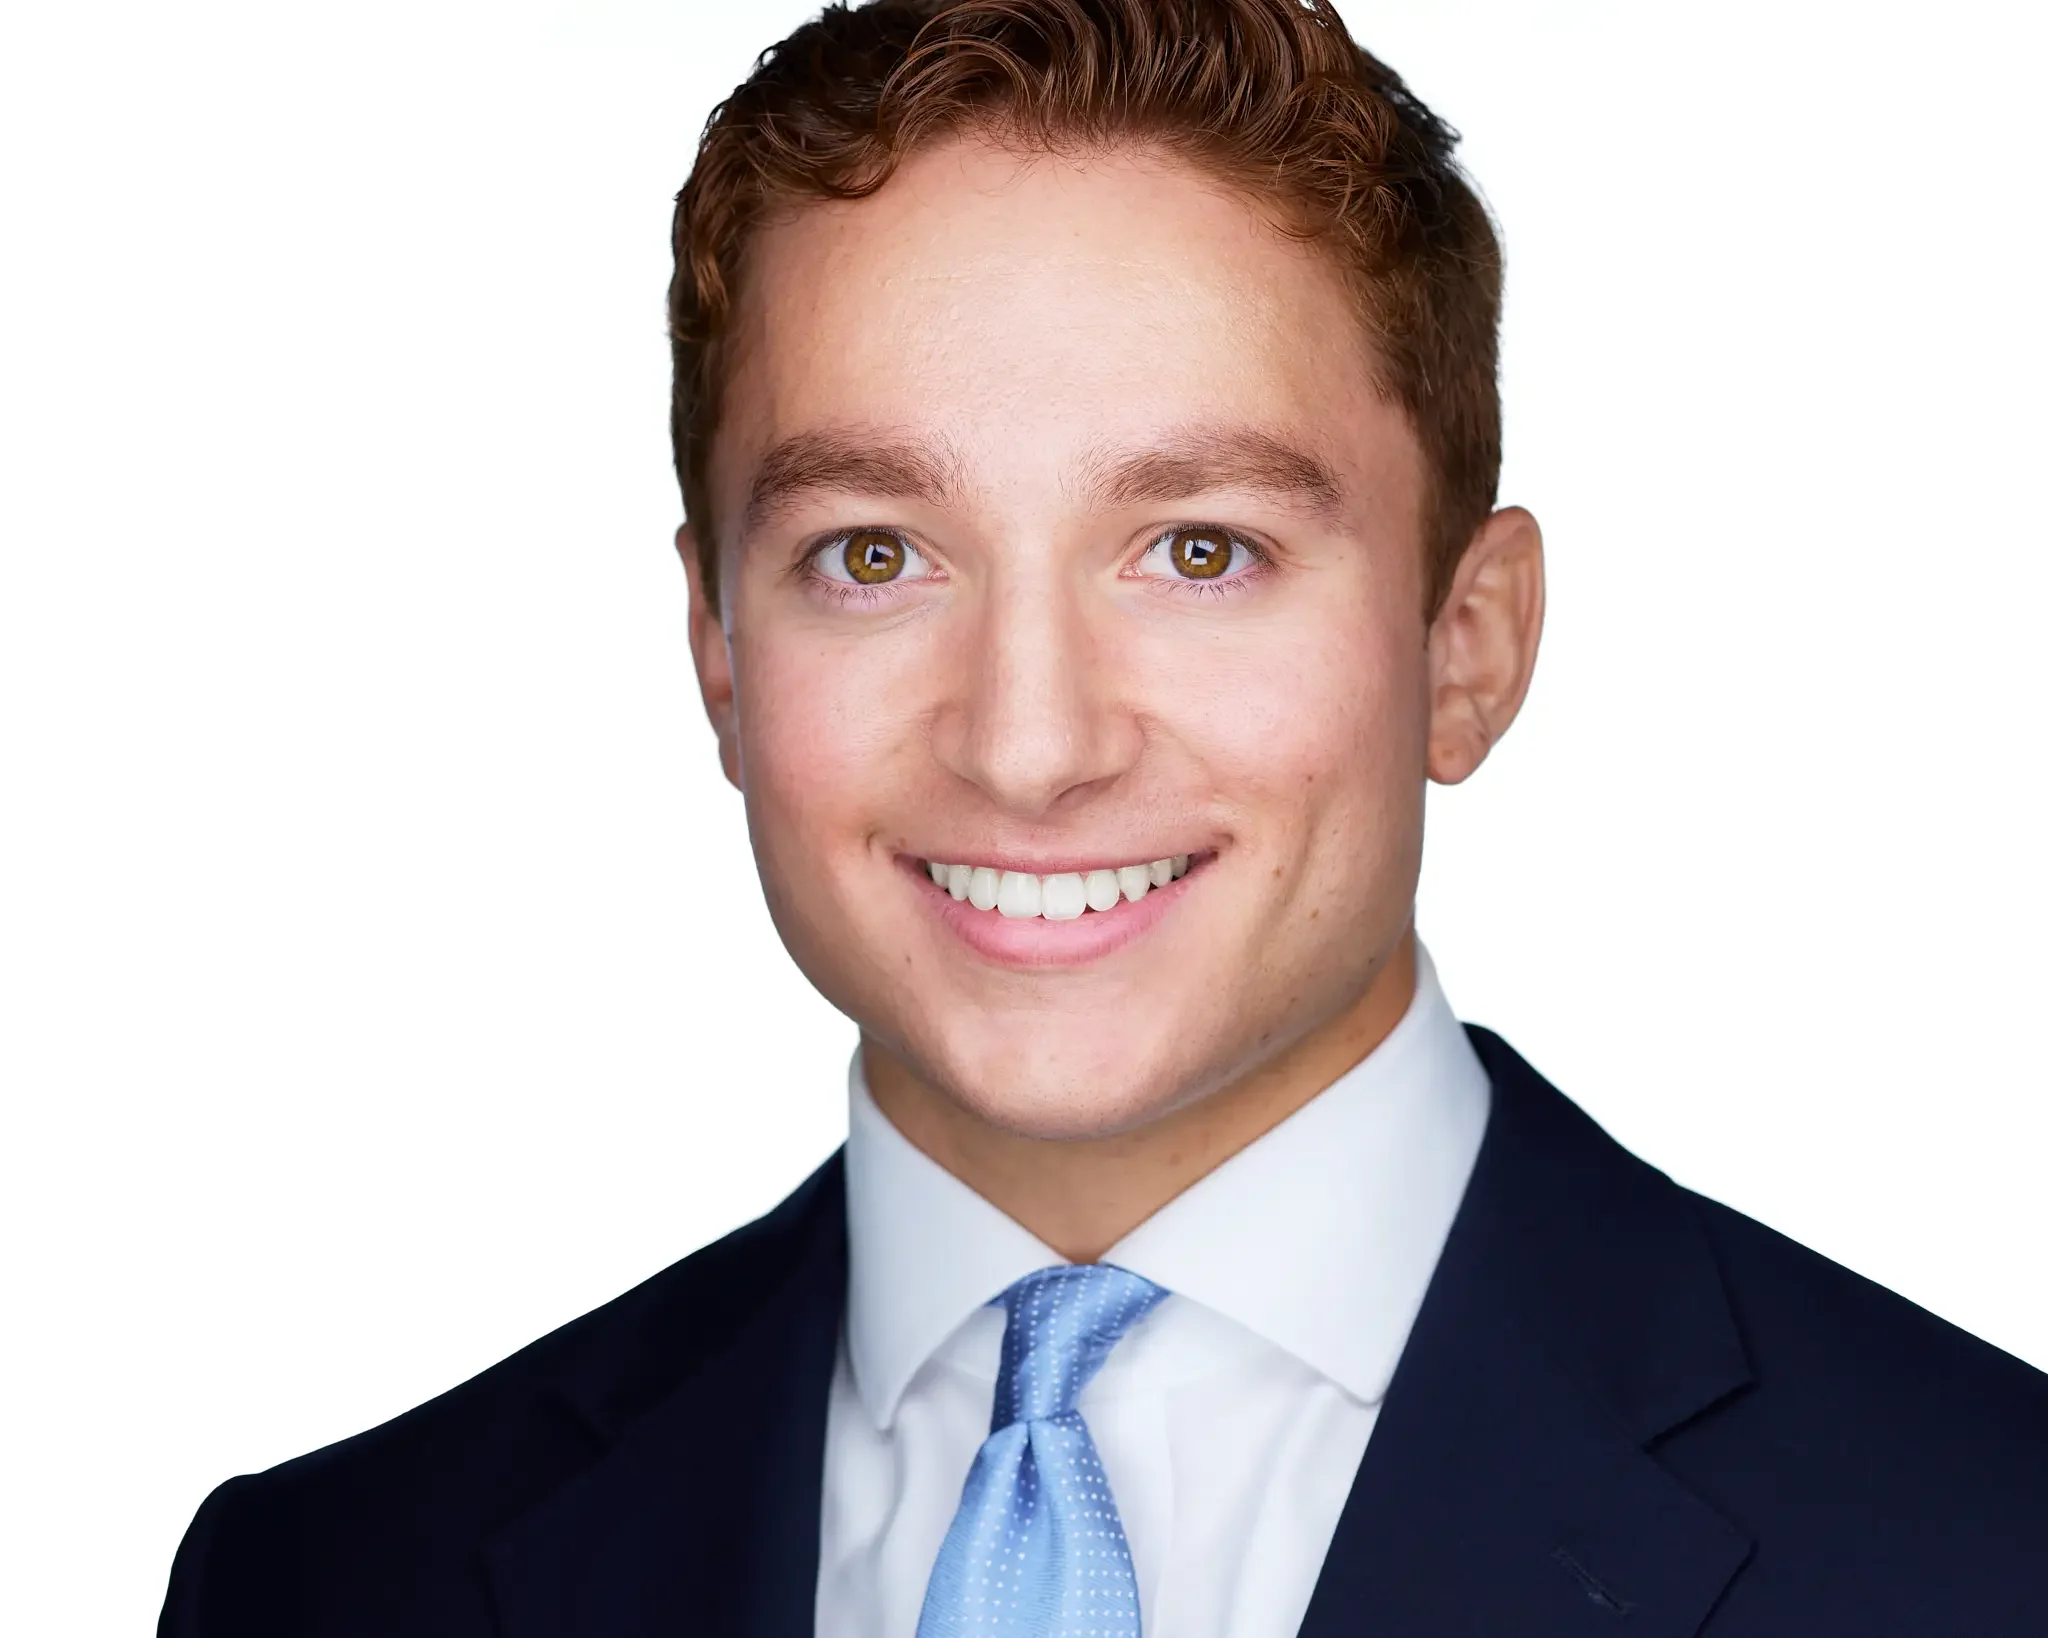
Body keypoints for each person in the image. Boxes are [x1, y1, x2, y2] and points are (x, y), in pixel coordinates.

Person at [158, 2, 2048, 1634]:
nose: (1032, 743)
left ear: (1467, 645)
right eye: (875, 553)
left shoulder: (1989, 1547)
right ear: (717, 651)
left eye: (1200, 549)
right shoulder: (329, 1579)